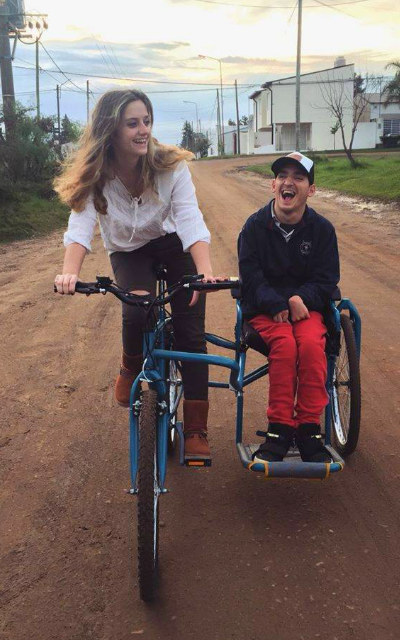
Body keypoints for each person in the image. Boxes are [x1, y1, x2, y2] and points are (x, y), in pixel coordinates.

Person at [54, 89, 216, 464]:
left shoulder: (170, 166)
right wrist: (69, 272)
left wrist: (204, 270)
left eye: (146, 121)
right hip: (128, 250)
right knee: (137, 308)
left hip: (172, 243)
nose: (143, 130)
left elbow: (190, 218)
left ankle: (195, 428)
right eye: (133, 124)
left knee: (191, 332)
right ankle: (130, 363)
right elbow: (80, 226)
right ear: (111, 130)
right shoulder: (96, 173)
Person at [238, 152, 340, 464]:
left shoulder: (322, 230)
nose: (288, 182)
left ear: (311, 190)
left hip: (306, 310)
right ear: (273, 185)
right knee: (284, 346)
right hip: (266, 311)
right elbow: (250, 276)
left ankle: (309, 429)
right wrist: (274, 302)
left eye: (298, 177)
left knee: (310, 346)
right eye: (282, 175)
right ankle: (279, 428)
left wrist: (300, 299)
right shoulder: (254, 228)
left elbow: (327, 279)